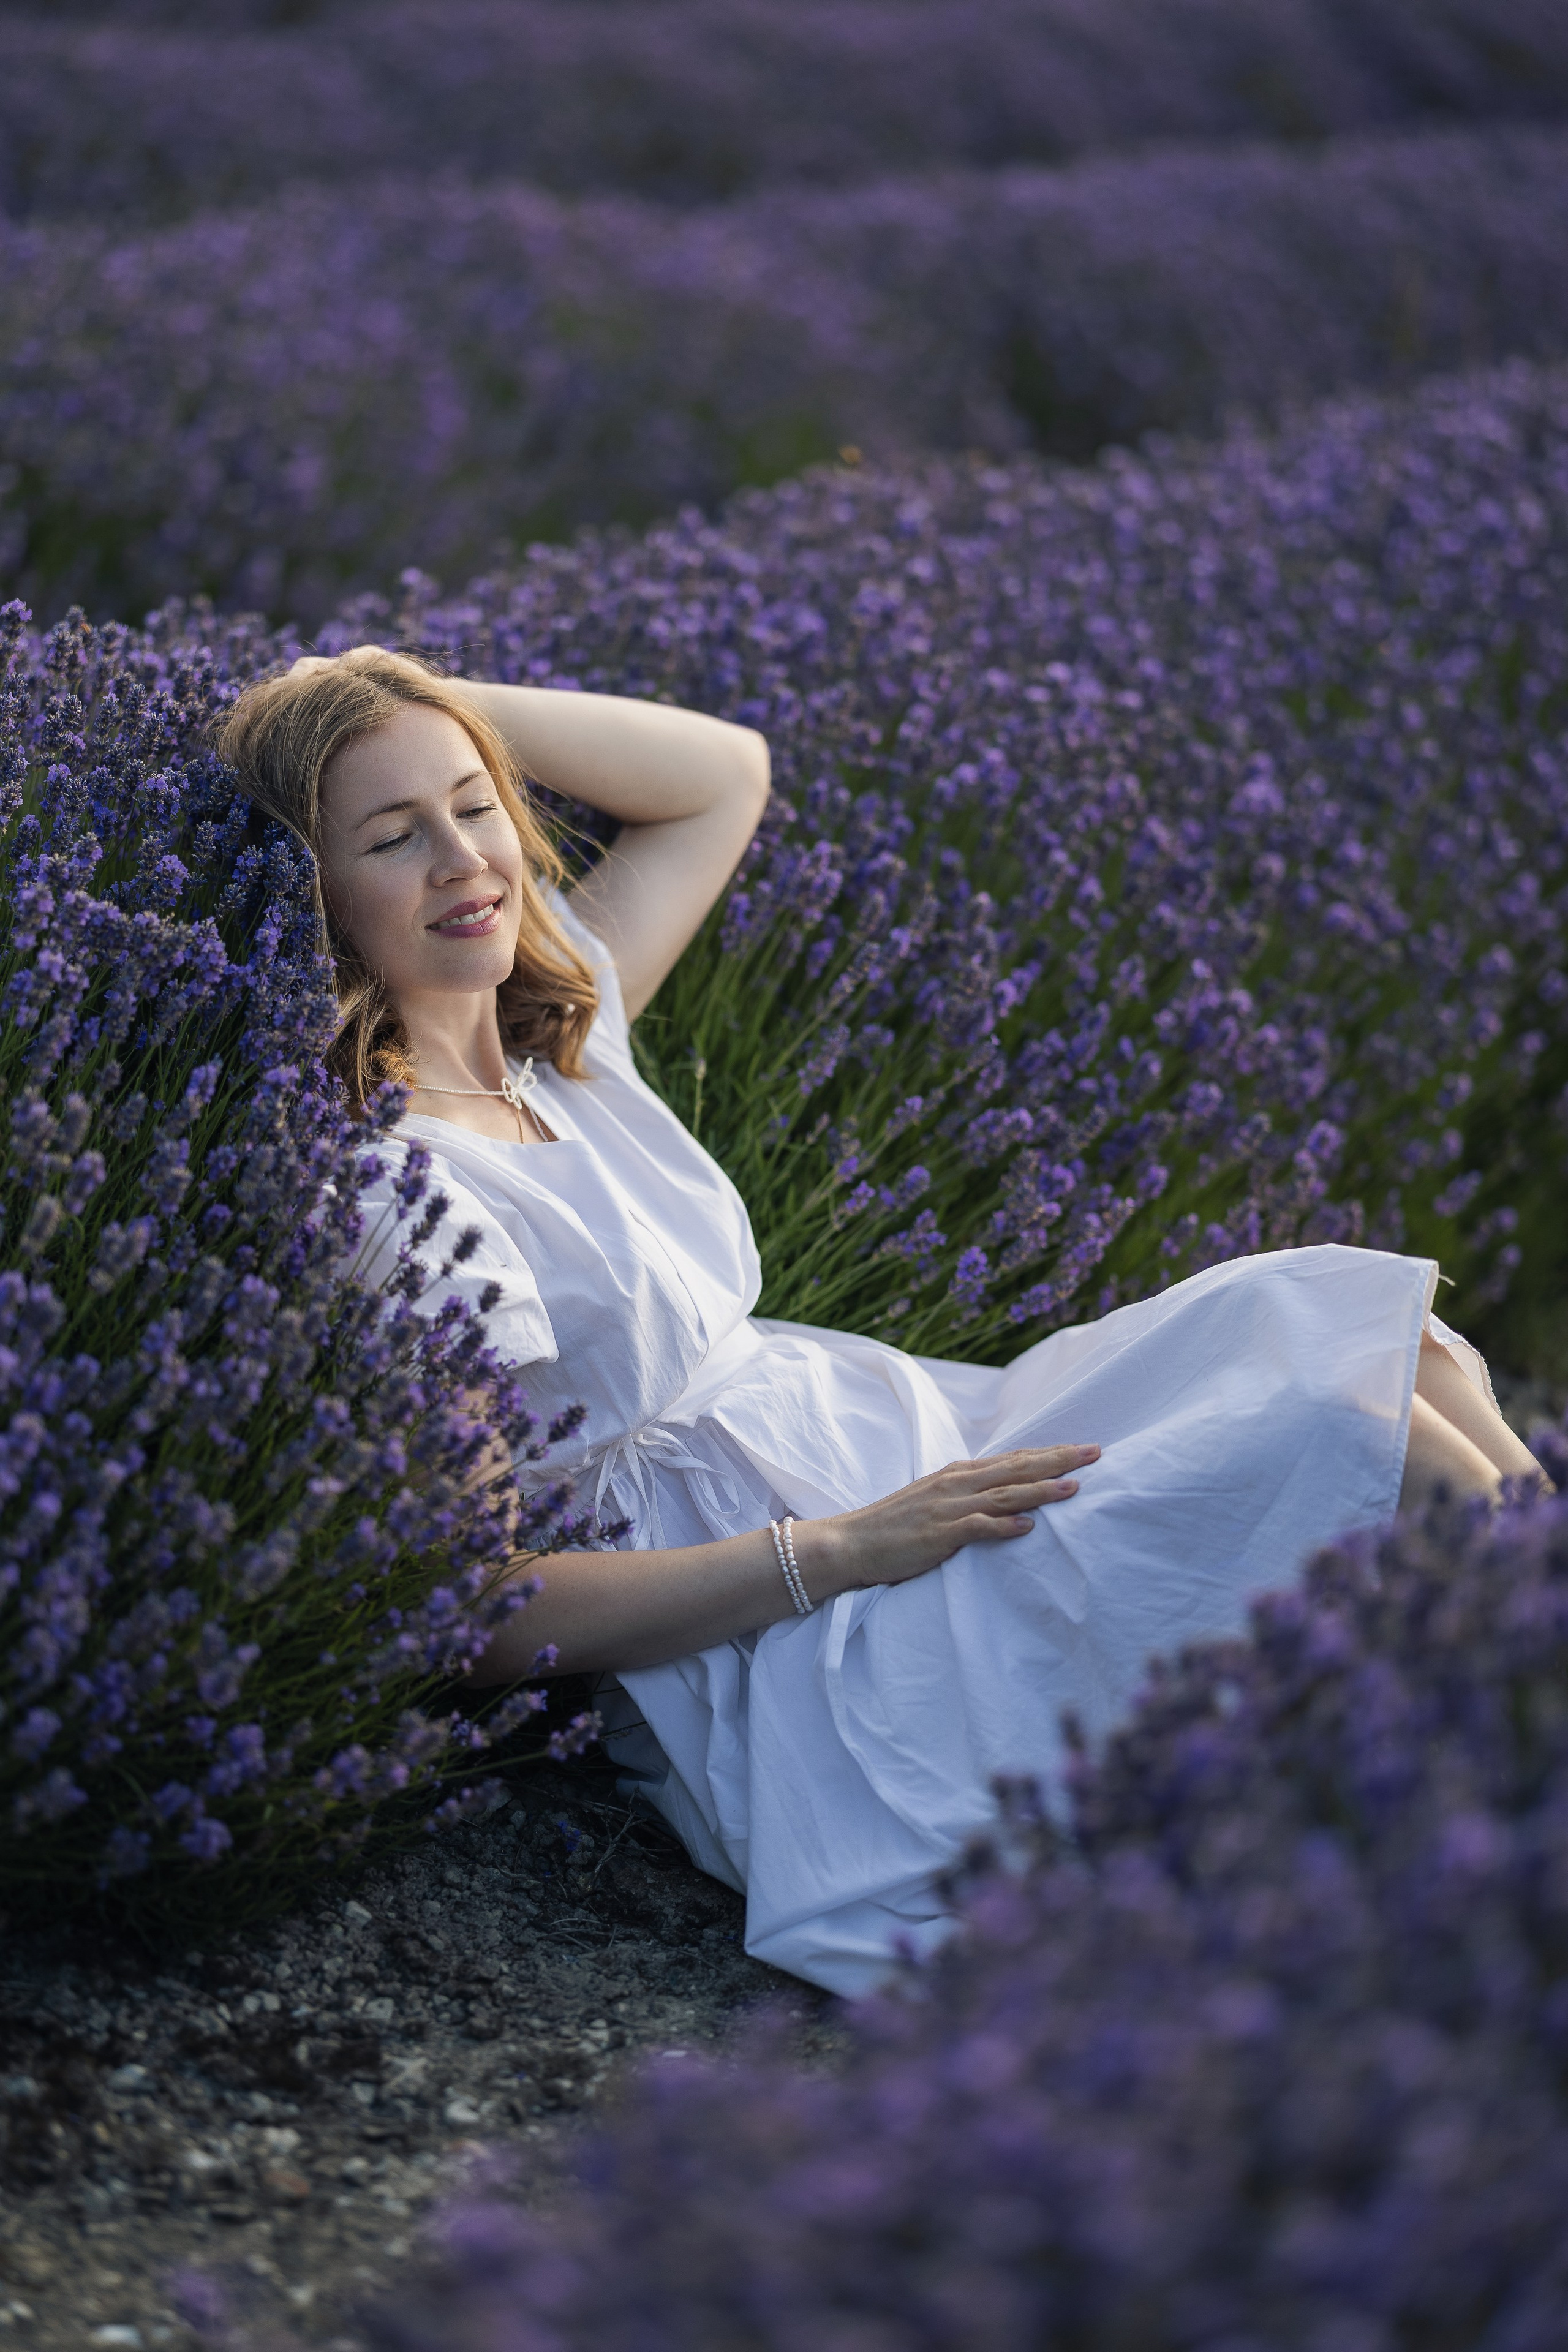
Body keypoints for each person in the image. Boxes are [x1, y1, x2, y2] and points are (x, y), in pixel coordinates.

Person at [217, 647, 1544, 1997]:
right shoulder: (402, 1189)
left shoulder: (566, 1040)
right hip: (795, 1596)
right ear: (308, 896)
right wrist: (839, 1550)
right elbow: (487, 1610)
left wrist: (394, 704)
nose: (463, 860)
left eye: (477, 806)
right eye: (392, 838)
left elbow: (719, 775)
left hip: (906, 1427)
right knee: (1343, 1429)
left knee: (1382, 1344)